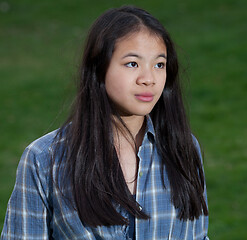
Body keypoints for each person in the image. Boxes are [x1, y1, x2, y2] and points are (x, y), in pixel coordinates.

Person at [0, 5, 209, 240]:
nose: (148, 79)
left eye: (159, 64)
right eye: (132, 63)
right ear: (99, 69)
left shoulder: (183, 149)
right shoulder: (44, 159)